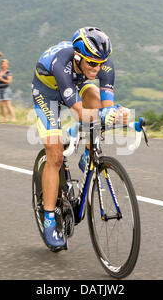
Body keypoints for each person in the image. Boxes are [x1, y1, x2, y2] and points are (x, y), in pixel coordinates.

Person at [32, 27, 128, 249]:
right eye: (92, 63)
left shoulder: (102, 65)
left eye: (101, 62)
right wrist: (101, 115)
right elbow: (79, 113)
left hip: (76, 84)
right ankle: (48, 220)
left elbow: (106, 108)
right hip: (48, 94)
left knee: (96, 100)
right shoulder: (61, 63)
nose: (98, 67)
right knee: (55, 155)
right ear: (77, 57)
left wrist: (117, 115)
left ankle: (89, 153)